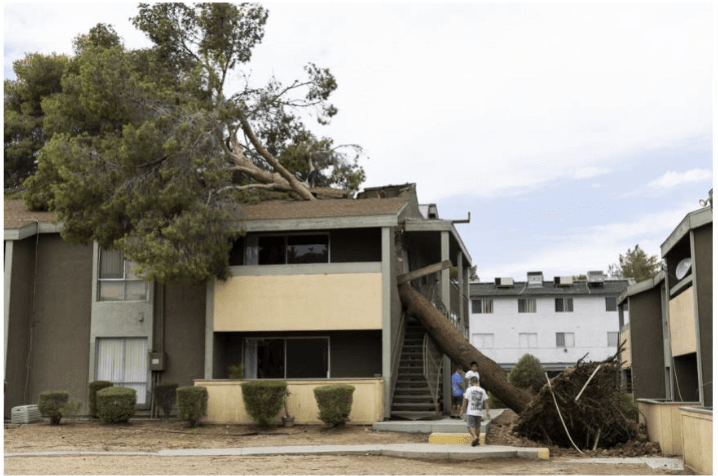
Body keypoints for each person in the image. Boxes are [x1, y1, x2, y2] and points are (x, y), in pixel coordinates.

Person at [461, 376, 490, 447]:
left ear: (471, 382)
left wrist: (462, 409)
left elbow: (465, 400)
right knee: (477, 427)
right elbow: (486, 401)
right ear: (478, 381)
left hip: (471, 411)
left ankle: (475, 437)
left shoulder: (469, 389)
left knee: (470, 426)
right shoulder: (482, 390)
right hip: (479, 412)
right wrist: (487, 411)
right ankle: (477, 441)